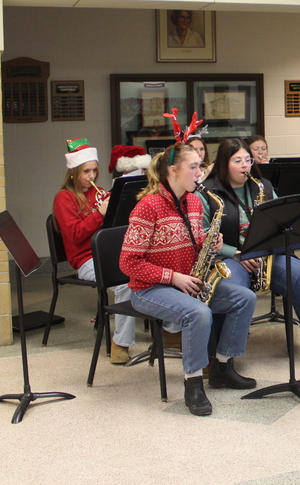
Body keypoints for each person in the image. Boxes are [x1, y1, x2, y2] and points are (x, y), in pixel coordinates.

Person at [120, 141, 257, 416]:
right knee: (199, 313)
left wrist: (210, 242)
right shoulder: (148, 206)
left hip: (188, 282)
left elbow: (193, 243)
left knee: (245, 298)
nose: (199, 173)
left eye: (200, 167)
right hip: (149, 289)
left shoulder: (194, 201)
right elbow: (128, 263)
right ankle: (193, 383)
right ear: (173, 170)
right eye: (193, 167)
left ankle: (222, 367)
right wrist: (174, 278)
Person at [208, 138, 300, 370]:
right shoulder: (209, 191)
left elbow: (284, 216)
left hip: (266, 253)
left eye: (248, 160)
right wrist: (237, 254)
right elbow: (202, 235)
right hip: (231, 257)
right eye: (237, 161)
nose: (245, 165)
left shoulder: (263, 186)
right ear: (223, 163)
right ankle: (219, 357)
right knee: (232, 289)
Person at [52, 137, 136, 364]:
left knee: (150, 271)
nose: (92, 176)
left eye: (94, 171)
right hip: (86, 260)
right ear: (73, 173)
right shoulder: (64, 198)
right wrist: (99, 214)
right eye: (86, 171)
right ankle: (121, 343)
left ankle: (169, 332)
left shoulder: (98, 193)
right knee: (126, 283)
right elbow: (75, 235)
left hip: (111, 253)